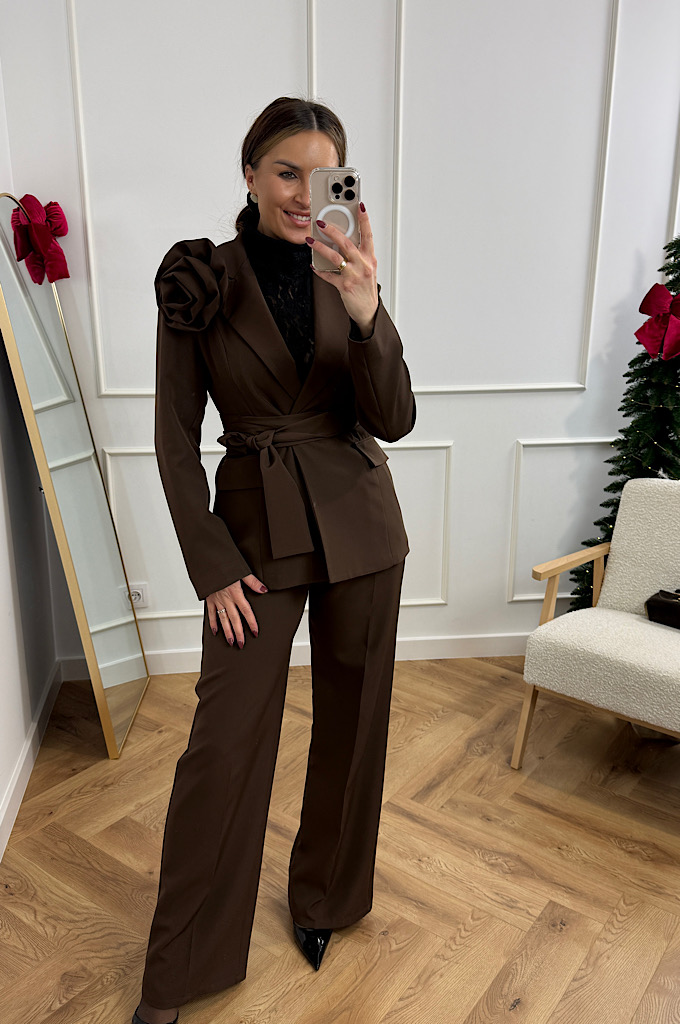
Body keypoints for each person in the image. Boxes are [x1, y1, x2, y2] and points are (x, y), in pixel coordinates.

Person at [133, 96, 416, 1024]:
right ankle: (179, 972)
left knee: (355, 724)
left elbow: (394, 418)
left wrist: (367, 311)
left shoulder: (348, 267)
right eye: (286, 171)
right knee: (223, 748)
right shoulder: (200, 278)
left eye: (321, 175)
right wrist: (210, 564)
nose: (302, 193)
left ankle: (326, 900)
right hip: (253, 539)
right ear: (250, 172)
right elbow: (174, 439)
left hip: (361, 524)